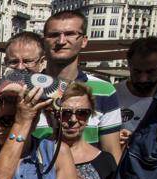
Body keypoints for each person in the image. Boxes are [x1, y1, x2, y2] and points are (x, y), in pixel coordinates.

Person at [37, 10, 122, 160]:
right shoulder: (28, 87)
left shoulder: (105, 90)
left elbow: (112, 152)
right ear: (44, 41)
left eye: (70, 34)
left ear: (84, 40)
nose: (61, 41)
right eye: (54, 35)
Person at [0, 31, 46, 138]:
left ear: (42, 63)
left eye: (28, 61)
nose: (20, 67)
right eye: (14, 61)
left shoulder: (54, 100)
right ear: (5, 62)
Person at [115, 37, 157, 142]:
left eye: (150, 72)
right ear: (129, 64)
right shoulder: (112, 95)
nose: (143, 79)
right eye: (137, 71)